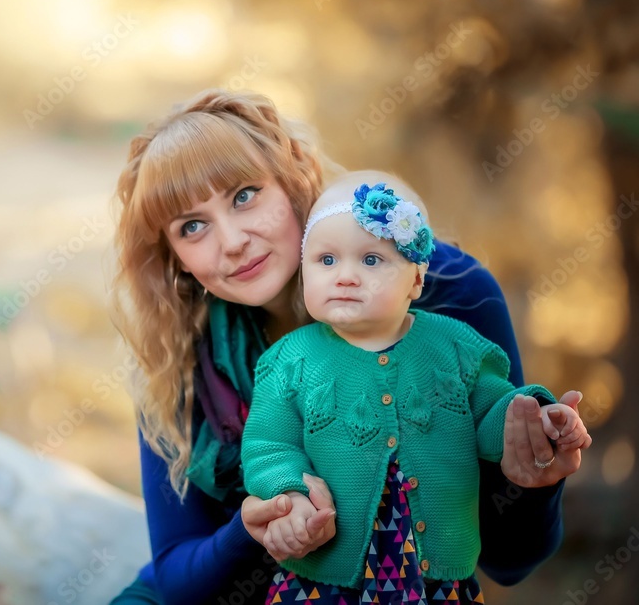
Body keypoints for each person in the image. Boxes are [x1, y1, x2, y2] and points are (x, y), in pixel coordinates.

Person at [108, 89, 590, 605]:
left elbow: (511, 561)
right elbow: (178, 579)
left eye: (244, 194)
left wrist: (537, 472)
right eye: (192, 226)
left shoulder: (447, 296)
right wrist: (254, 528)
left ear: (292, 180)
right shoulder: (179, 351)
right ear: (177, 258)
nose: (231, 241)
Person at [241, 176, 590, 604]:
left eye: (371, 260)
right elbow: (268, 445)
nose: (346, 276)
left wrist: (539, 417)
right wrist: (291, 494)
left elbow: (495, 413)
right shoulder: (289, 361)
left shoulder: (456, 348)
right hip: (324, 580)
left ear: (416, 281)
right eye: (326, 260)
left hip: (436, 582)